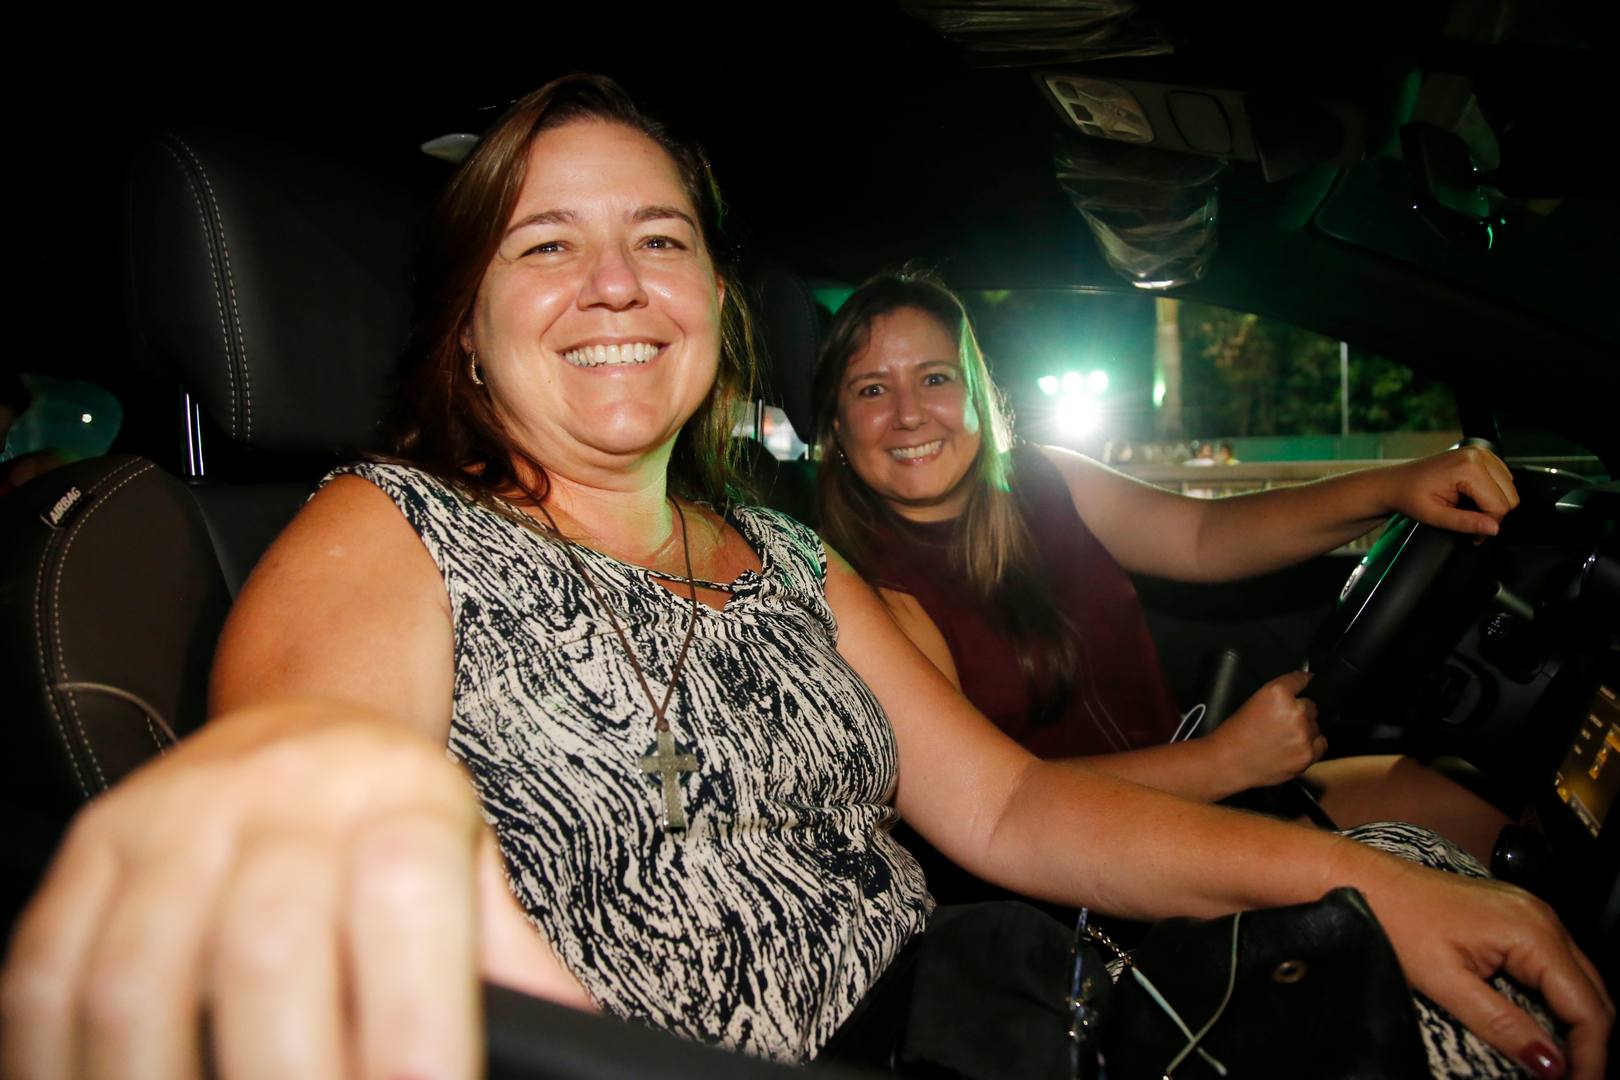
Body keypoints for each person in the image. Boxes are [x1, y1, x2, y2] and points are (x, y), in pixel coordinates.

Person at [1, 77, 1609, 1080]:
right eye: (545, 245)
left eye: (661, 238)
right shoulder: (389, 527)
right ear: (465, 324)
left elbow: (1017, 814)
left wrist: (1360, 883)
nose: (617, 282)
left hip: (989, 1004)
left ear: (713, 307)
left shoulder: (786, 552)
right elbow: (308, 784)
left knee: (1429, 891)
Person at [811, 271, 1526, 866]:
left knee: (1485, 810)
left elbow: (1206, 535)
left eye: (934, 378)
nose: (909, 415)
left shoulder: (1047, 479)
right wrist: (1224, 762)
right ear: (838, 431)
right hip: (1097, 876)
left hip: (1205, 804)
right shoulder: (864, 594)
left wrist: (1393, 486)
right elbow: (996, 800)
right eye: (872, 390)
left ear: (976, 394)